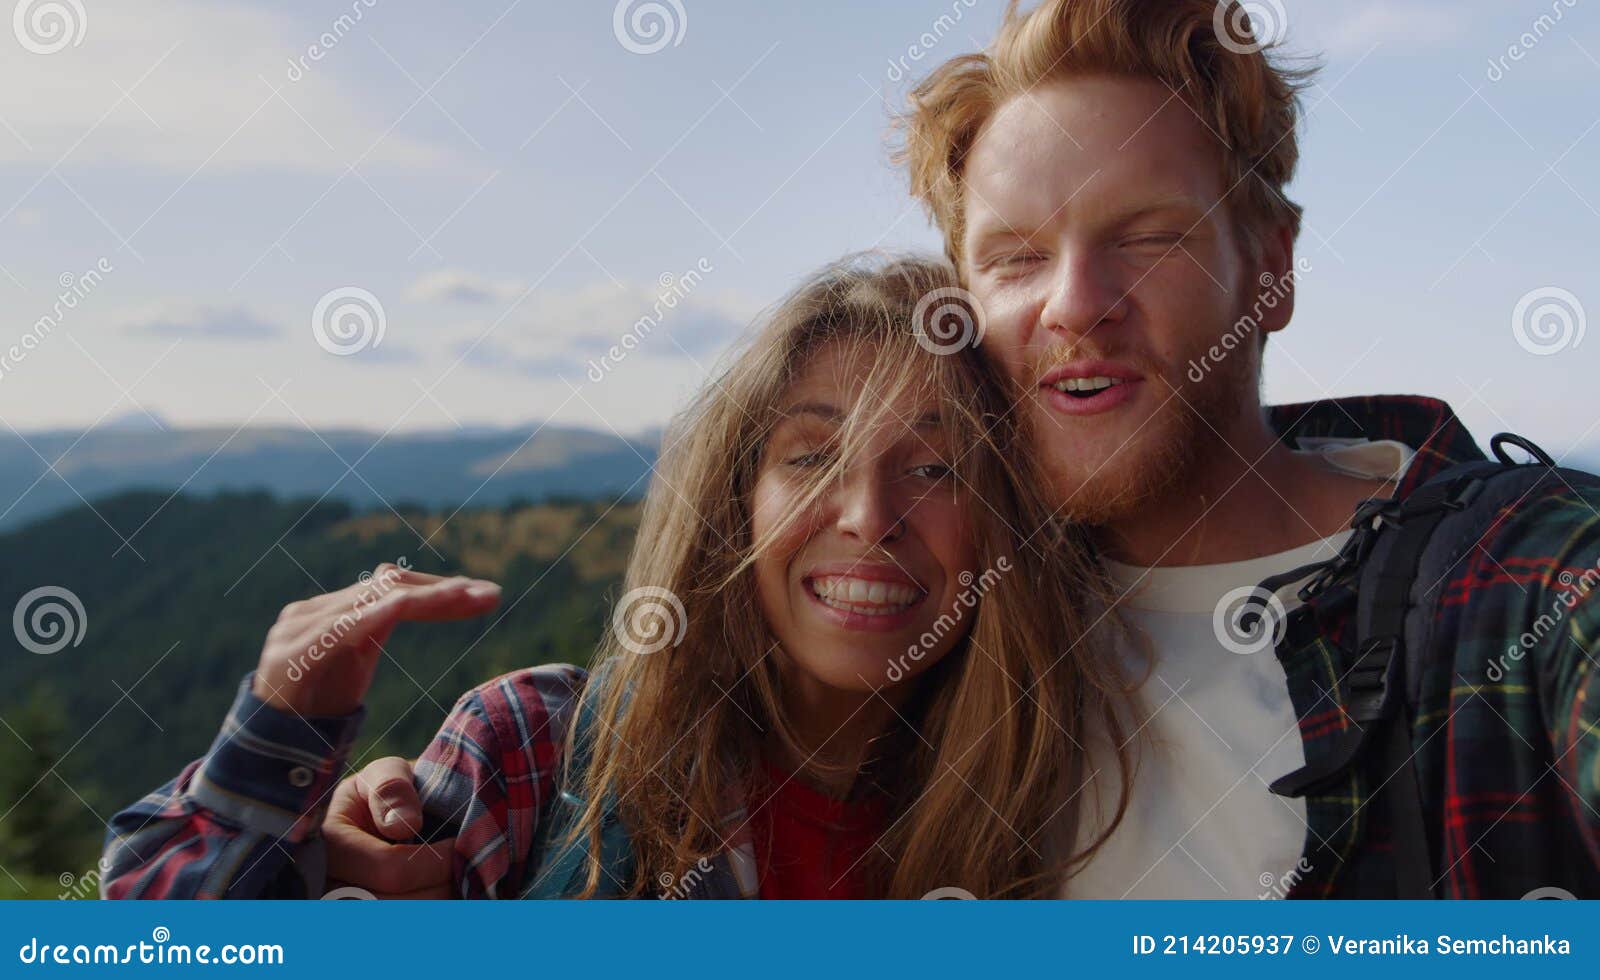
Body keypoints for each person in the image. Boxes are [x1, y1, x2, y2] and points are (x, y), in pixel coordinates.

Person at [101, 254, 1140, 900]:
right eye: (811, 456)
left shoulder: (1062, 811)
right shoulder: (538, 753)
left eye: (936, 465)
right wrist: (277, 745)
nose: (870, 518)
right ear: (736, 499)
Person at [882, 0, 1600, 897]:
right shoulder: (938, 616)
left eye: (1148, 238)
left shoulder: (1521, 587)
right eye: (1016, 259)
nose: (1074, 303)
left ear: (1270, 268)